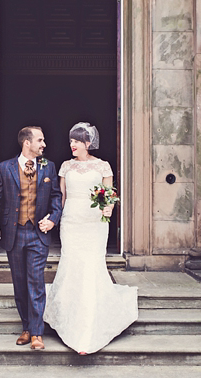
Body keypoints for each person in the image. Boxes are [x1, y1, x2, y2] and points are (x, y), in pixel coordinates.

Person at [43, 122, 138, 354]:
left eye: (76, 141)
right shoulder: (66, 166)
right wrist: (55, 218)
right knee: (72, 263)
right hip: (72, 221)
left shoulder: (103, 166)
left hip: (94, 222)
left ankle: (90, 327)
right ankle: (69, 320)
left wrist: (109, 209)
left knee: (91, 265)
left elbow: (110, 195)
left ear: (87, 143)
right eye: (71, 141)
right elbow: (61, 196)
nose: (72, 145)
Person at [0, 126, 63, 350]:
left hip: (38, 235)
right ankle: (27, 328)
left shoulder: (48, 167)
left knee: (36, 282)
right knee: (20, 284)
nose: (44, 144)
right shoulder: (4, 168)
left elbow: (56, 198)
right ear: (27, 143)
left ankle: (37, 333)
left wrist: (53, 219)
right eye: (40, 140)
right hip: (14, 234)